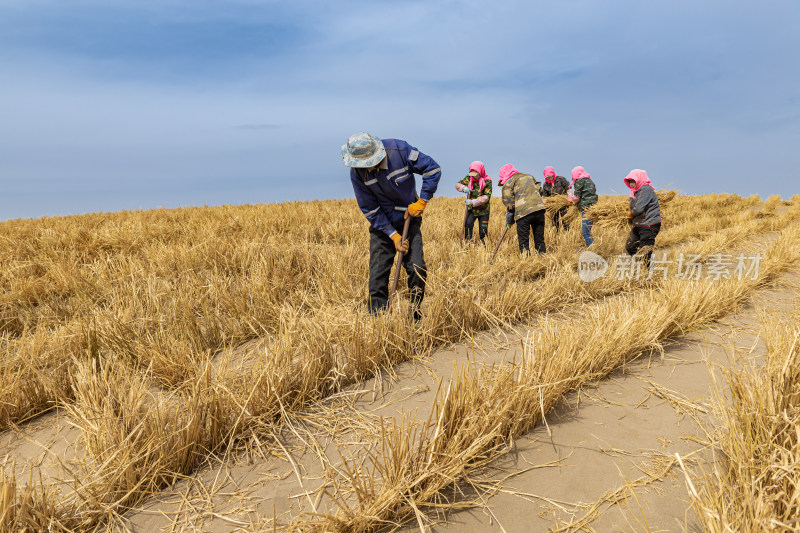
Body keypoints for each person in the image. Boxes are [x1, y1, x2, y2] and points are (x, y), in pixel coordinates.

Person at [342, 132, 441, 321]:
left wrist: (422, 202)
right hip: (382, 226)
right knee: (377, 274)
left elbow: (432, 170)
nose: (366, 167)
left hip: (408, 219)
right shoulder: (357, 173)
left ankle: (415, 313)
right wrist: (393, 236)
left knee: (417, 267)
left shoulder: (400, 151)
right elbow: (370, 209)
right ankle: (378, 320)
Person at [499, 163, 546, 255]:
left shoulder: (508, 183)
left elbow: (510, 205)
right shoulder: (529, 176)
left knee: (524, 241)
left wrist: (509, 221)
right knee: (539, 239)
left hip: (524, 213)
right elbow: (540, 190)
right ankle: (543, 261)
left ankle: (526, 264)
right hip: (539, 210)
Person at [624, 169, 661, 269]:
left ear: (639, 179)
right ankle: (642, 266)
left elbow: (638, 208)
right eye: (630, 181)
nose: (631, 183)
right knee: (630, 246)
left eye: (633, 181)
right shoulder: (635, 192)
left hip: (649, 223)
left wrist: (630, 214)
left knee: (645, 250)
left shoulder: (645, 189)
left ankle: (649, 272)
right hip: (640, 224)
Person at [455, 161, 492, 244]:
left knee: (483, 230)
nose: (474, 177)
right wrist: (463, 188)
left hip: (483, 210)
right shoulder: (468, 178)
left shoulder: (487, 181)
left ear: (480, 172)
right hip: (471, 209)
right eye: (472, 174)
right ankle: (467, 246)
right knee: (468, 226)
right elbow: (457, 184)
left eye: (476, 174)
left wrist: (473, 201)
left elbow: (486, 197)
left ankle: (484, 248)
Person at [569, 166, 598, 247]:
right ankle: (592, 247)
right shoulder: (590, 180)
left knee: (585, 231)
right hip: (593, 207)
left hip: (586, 208)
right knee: (587, 230)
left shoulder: (579, 181)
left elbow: (576, 197)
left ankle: (592, 249)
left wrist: (571, 200)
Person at [541, 166, 570, 231]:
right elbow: (545, 196)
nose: (549, 178)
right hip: (553, 206)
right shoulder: (545, 184)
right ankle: (556, 235)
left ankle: (567, 233)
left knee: (565, 221)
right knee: (554, 222)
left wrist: (569, 199)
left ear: (553, 174)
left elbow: (568, 189)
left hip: (563, 204)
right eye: (547, 177)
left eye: (550, 176)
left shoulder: (561, 179)